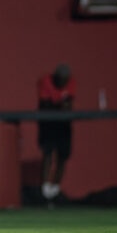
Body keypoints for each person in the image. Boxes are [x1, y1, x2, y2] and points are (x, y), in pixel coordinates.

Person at [37, 63, 76, 201]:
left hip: (63, 124)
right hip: (48, 124)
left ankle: (55, 189)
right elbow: (46, 104)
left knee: (62, 156)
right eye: (61, 80)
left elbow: (68, 104)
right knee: (48, 154)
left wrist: (61, 104)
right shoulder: (46, 81)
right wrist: (60, 103)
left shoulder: (71, 83)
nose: (63, 83)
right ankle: (45, 188)